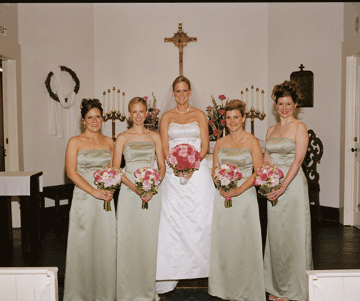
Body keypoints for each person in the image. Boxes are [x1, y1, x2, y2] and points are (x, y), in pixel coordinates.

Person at [156, 75, 216, 294]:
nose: (181, 95)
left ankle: (204, 266)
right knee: (173, 220)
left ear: (190, 92)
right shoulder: (166, 117)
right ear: (173, 93)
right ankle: (172, 270)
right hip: (172, 174)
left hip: (196, 171)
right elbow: (163, 146)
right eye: (177, 91)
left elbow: (206, 144)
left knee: (199, 216)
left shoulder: (200, 115)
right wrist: (175, 164)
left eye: (185, 91)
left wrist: (192, 163)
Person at [208, 99, 266, 301]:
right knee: (225, 242)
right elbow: (215, 171)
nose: (232, 121)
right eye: (228, 117)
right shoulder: (221, 143)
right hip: (223, 197)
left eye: (236, 117)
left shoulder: (252, 141)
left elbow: (259, 173)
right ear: (224, 120)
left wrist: (239, 189)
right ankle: (224, 288)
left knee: (244, 242)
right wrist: (221, 186)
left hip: (245, 198)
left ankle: (247, 289)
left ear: (243, 118)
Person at [263, 80, 313, 301]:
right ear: (276, 105)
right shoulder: (271, 129)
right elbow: (266, 159)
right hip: (273, 187)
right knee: (276, 236)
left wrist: (283, 186)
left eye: (288, 104)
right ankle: (277, 287)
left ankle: (294, 289)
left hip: (291, 188)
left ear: (295, 106)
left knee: (293, 236)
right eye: (280, 103)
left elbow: (298, 159)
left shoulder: (299, 128)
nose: (284, 108)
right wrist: (266, 183)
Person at [112, 97, 166, 301]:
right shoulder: (122, 137)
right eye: (134, 112)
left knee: (148, 242)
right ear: (129, 114)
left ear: (147, 113)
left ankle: (146, 290)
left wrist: (152, 186)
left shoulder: (155, 136)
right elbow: (116, 169)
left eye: (141, 111)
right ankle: (127, 292)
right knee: (128, 241)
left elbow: (162, 167)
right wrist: (136, 188)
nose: (138, 116)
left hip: (151, 194)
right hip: (129, 193)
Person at [63, 98, 116, 301]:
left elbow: (112, 170)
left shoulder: (109, 142)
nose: (94, 121)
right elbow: (70, 172)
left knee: (105, 245)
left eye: (98, 117)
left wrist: (109, 189)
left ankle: (105, 293)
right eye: (90, 117)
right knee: (83, 246)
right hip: (84, 199)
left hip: (105, 200)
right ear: (83, 120)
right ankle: (80, 294)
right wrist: (93, 191)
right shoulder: (75, 142)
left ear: (102, 118)